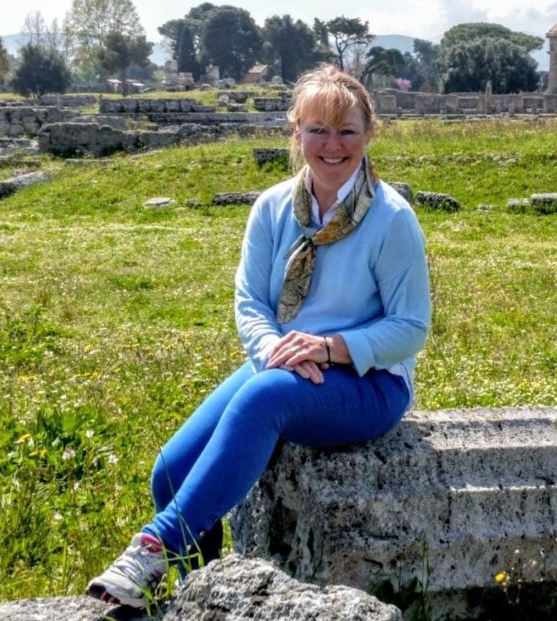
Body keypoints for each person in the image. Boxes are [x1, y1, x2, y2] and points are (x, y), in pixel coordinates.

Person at [86, 64, 431, 608]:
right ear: (296, 133)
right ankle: (194, 595)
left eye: (347, 131)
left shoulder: (391, 219)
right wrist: (275, 350)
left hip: (369, 380)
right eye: (318, 129)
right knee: (170, 472)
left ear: (369, 135)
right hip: (282, 362)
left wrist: (328, 347)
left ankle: (152, 548)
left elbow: (411, 327)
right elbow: (249, 302)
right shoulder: (272, 207)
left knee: (263, 400)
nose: (332, 145)